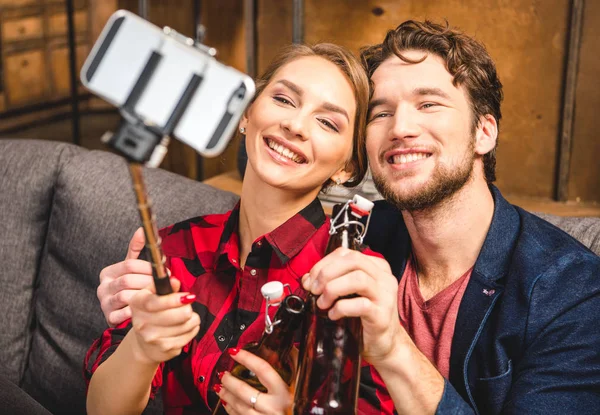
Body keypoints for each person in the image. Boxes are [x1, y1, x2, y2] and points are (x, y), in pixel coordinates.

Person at [302, 20, 600, 414]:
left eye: (429, 104)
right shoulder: (357, 236)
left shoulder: (574, 293)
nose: (400, 128)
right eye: (381, 113)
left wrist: (393, 349)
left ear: (484, 132)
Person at [84, 43, 393, 415]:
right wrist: (141, 347)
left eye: (327, 122)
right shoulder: (173, 247)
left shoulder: (355, 281)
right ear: (247, 114)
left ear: (347, 167)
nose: (295, 125)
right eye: (283, 99)